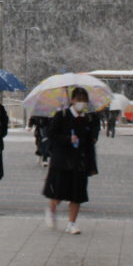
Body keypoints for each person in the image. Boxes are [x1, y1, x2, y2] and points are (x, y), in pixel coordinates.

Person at [43, 87, 101, 234]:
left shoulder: (88, 117)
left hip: (80, 161)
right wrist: (68, 139)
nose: (81, 103)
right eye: (79, 99)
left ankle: (72, 223)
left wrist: (93, 137)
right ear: (72, 100)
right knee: (59, 193)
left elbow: (94, 131)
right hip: (63, 160)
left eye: (84, 100)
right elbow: (51, 135)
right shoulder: (61, 115)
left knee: (77, 194)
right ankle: (51, 209)